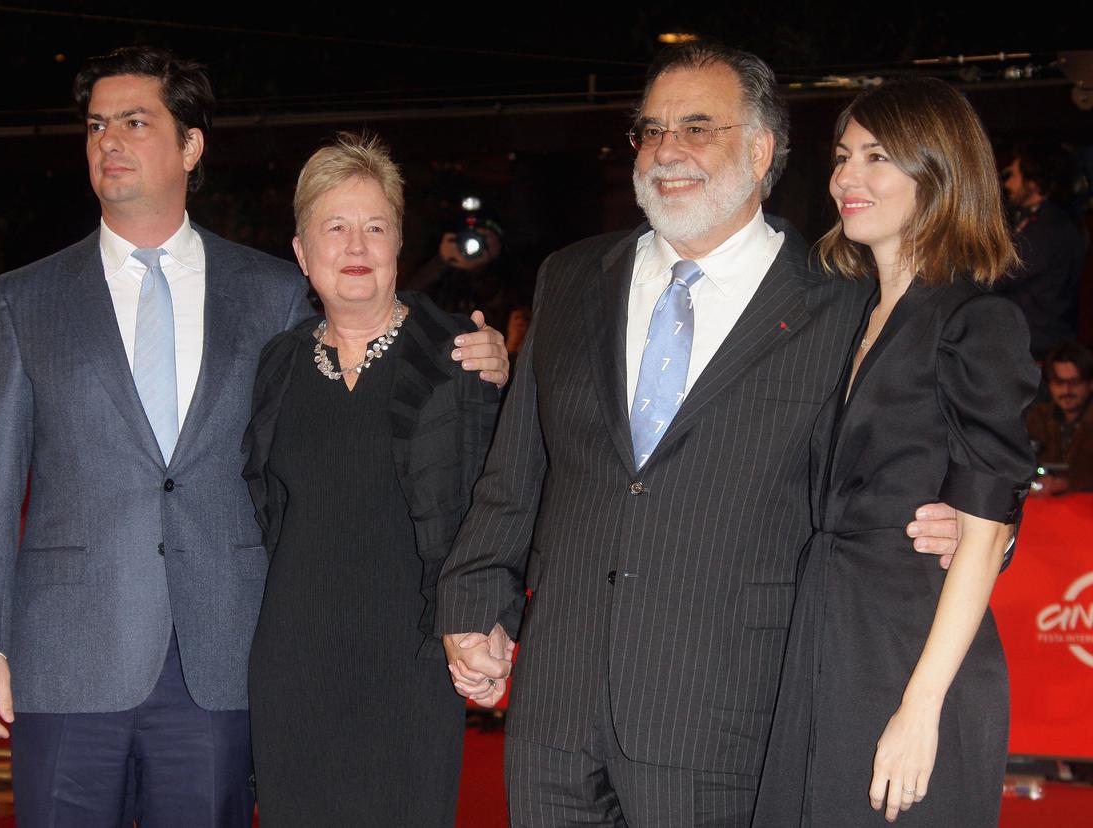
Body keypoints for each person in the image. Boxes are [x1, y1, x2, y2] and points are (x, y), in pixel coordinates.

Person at [0, 46, 507, 826]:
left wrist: (481, 352)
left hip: (226, 656)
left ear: (191, 145)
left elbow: (367, 339)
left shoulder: (273, 290)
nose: (109, 139)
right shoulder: (23, 299)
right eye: (97, 124)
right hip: (67, 660)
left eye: (136, 122)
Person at [436, 42, 961, 826]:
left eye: (697, 128)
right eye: (650, 130)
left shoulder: (844, 299)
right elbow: (518, 473)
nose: (665, 150)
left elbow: (923, 467)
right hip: (555, 713)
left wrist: (955, 519)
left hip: (730, 713)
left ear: (761, 151)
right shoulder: (573, 277)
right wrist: (475, 600)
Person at [753, 78, 1037, 826]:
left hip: (910, 653)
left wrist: (920, 709)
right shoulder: (844, 315)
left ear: (939, 173)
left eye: (878, 157)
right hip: (822, 639)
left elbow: (985, 527)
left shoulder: (977, 320)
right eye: (844, 156)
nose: (848, 176)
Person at [242, 132, 500, 826]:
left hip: (412, 667)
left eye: (375, 227)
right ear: (302, 252)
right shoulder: (278, 365)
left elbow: (498, 507)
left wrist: (491, 621)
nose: (355, 246)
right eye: (335, 227)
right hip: (292, 667)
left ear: (397, 244)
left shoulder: (461, 357)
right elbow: (263, 511)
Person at [997, 144, 1087, 359]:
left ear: (1035, 183)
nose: (1008, 183)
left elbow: (1001, 275)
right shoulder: (1055, 221)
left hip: (1039, 343)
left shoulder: (1048, 228)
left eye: (1014, 175)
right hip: (1040, 338)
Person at [1027, 340, 1093, 494]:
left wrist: (1066, 483)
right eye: (1058, 382)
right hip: (1044, 510)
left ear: (1090, 383)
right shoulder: (1037, 417)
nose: (1066, 390)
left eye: (1074, 382)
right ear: (1049, 384)